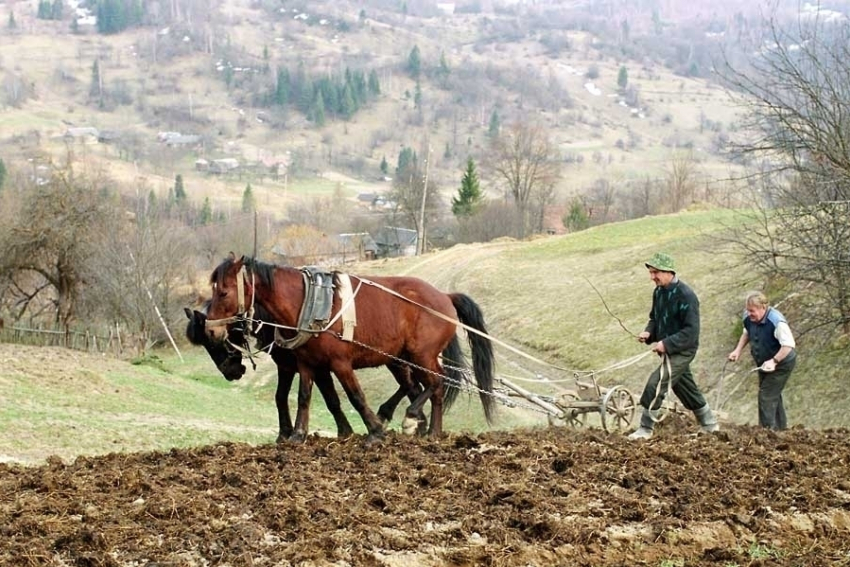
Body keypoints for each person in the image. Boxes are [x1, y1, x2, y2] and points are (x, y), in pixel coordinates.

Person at [628, 252, 719, 439]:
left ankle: (645, 429)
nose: (652, 277)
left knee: (657, 381)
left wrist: (666, 344)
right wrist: (648, 333)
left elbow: (691, 332)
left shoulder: (687, 296)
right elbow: (654, 318)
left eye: (656, 272)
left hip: (683, 350)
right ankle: (710, 424)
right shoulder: (658, 292)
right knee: (684, 387)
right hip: (668, 348)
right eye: (651, 272)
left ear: (669, 272)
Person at [727, 291, 797, 430]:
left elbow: (788, 345)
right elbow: (747, 333)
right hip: (764, 363)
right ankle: (780, 429)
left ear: (763, 308)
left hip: (782, 362)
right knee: (772, 395)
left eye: (752, 311)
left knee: (766, 395)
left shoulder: (776, 321)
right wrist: (737, 350)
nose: (749, 314)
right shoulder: (749, 318)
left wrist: (774, 361)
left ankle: (767, 432)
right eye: (748, 310)